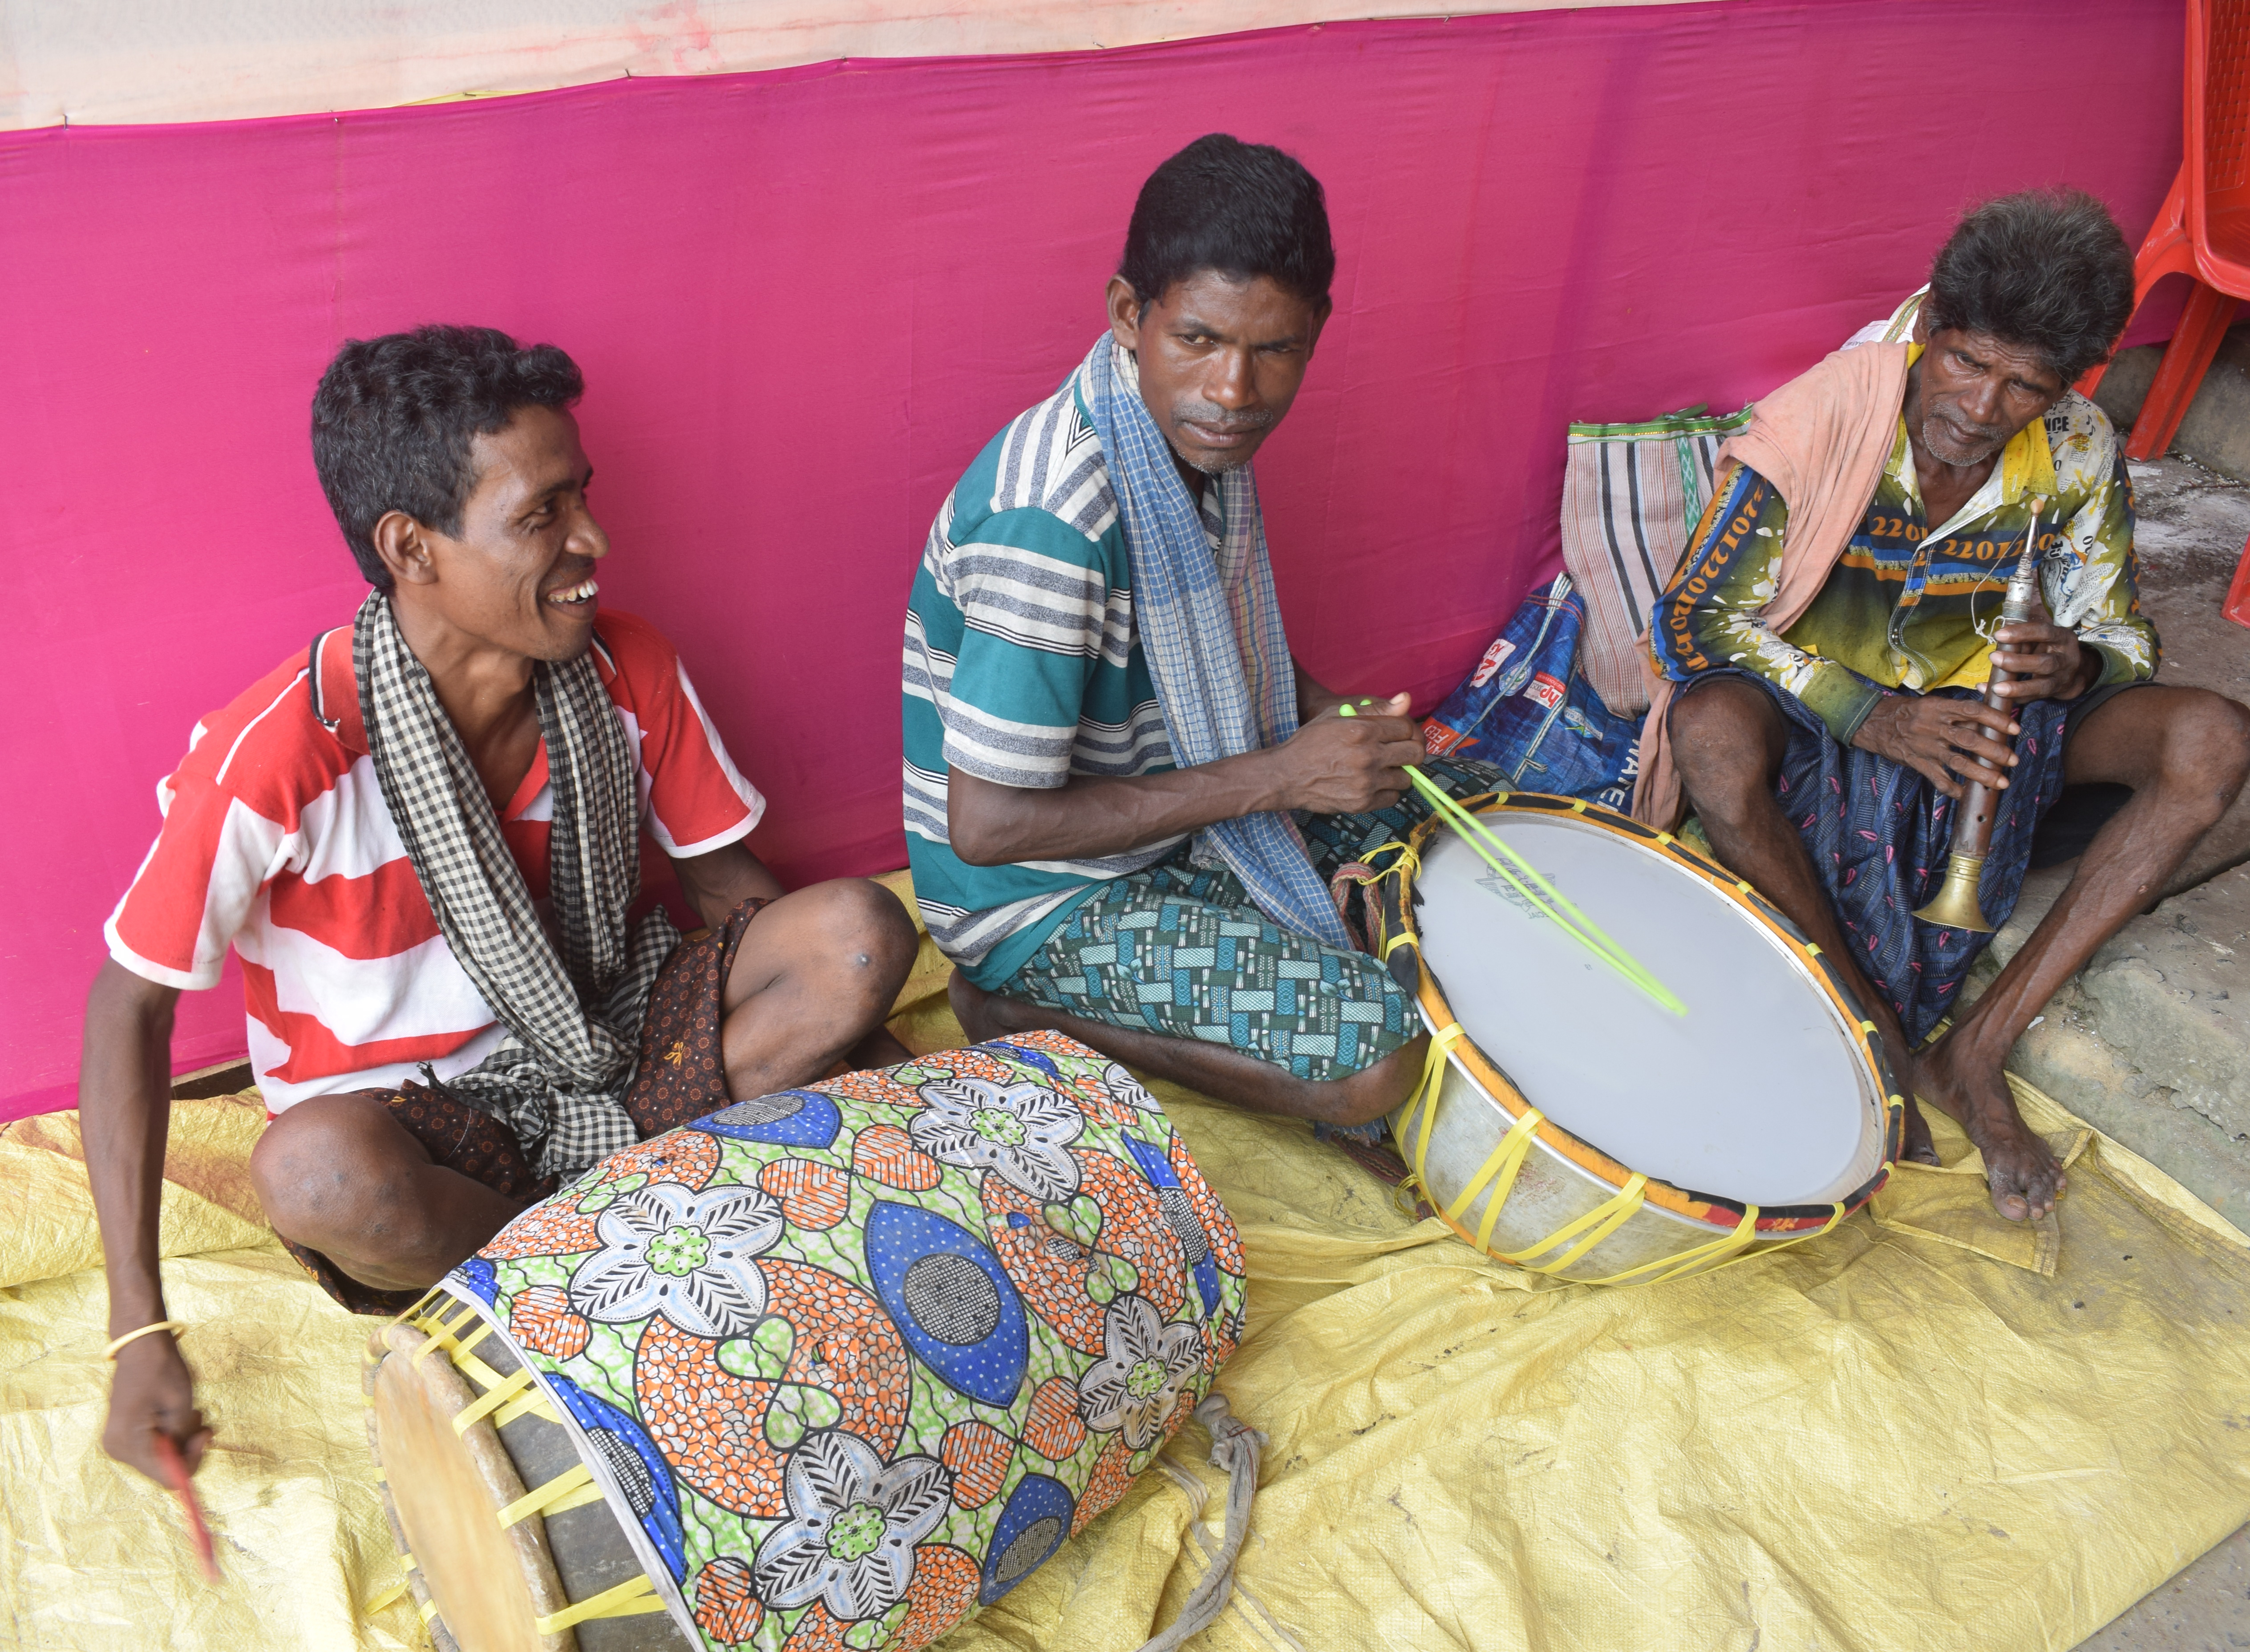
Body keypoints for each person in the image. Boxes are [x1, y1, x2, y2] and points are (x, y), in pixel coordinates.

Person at [87, 326, 918, 1486]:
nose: (594, 543)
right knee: (315, 1174)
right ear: (411, 548)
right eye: (543, 517)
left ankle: (595, 1239)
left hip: (612, 1046)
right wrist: (139, 1331)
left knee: (863, 936)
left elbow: (737, 904)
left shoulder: (628, 668)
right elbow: (127, 1009)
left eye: (584, 499)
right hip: (425, 1134)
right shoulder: (280, 751)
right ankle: (624, 1254)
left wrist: (866, 1066)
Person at [1639, 190, 2250, 1223]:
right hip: (1821, 726)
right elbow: (1691, 621)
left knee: (2210, 738)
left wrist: (2081, 666)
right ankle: (1866, 1020)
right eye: (1966, 363)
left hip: (1981, 743)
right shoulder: (1821, 414)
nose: (1980, 405)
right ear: (1930, 331)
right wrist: (1865, 713)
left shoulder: (2075, 446)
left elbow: (2126, 636)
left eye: (2024, 386)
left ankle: (1976, 1049)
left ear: (2063, 386)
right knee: (1707, 730)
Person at [902, 133, 1498, 1129]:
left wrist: (1321, 715)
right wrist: (1280, 774)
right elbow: (990, 827)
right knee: (1372, 1061)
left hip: (1170, 812)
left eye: (1275, 350)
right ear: (1130, 313)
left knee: (1466, 814)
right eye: (1201, 341)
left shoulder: (1186, 437)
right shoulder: (1054, 519)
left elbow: (1211, 648)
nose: (1234, 390)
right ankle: (1011, 1008)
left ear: (1316, 329)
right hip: (1037, 896)